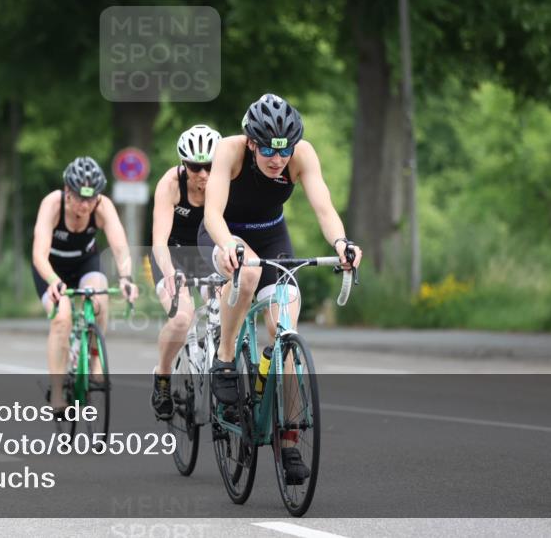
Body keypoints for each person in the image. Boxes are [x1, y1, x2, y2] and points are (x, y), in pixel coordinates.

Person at [199, 93, 363, 484]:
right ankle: (224, 358)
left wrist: (341, 244)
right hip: (224, 234)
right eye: (270, 151)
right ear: (252, 142)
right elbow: (212, 214)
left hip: (272, 237)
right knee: (249, 275)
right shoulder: (230, 151)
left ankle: (288, 440)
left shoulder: (302, 155)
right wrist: (229, 246)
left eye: (285, 151)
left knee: (285, 324)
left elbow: (323, 207)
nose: (278, 160)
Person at [31, 157, 138, 416]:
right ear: (67, 191)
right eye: (79, 198)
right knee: (62, 317)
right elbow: (39, 254)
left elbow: (120, 248)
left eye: (91, 200)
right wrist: (54, 281)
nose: (85, 205)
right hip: (51, 268)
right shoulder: (52, 204)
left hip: (85, 262)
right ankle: (57, 391)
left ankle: (94, 359)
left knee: (100, 299)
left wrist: (126, 278)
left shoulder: (103, 207)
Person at [149, 124, 221, 420]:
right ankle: (163, 376)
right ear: (183, 164)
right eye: (195, 167)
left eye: (209, 166)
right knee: (181, 318)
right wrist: (169, 272)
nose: (203, 174)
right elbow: (158, 241)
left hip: (208, 256)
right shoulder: (171, 184)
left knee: (224, 310)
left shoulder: (225, 182)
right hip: (172, 257)